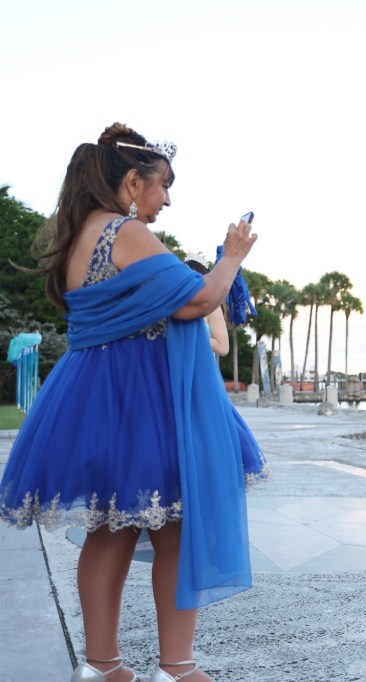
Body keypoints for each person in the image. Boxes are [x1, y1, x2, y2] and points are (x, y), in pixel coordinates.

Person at [0, 123, 270, 682]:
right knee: (176, 530)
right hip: (145, 398)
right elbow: (199, 300)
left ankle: (100, 666)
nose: (166, 199)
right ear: (131, 182)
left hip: (92, 396)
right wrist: (233, 256)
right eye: (163, 185)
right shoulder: (126, 231)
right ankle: (177, 668)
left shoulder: (79, 235)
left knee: (110, 529)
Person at [184, 255, 229, 357]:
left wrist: (189, 339)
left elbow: (223, 347)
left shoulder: (212, 308)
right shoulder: (178, 307)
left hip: (202, 363)